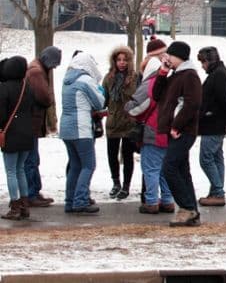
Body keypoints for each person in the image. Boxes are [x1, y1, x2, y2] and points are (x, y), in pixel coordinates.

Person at [152, 41, 202, 227]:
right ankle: (191, 210)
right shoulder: (176, 75)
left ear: (178, 56)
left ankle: (187, 207)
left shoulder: (189, 76)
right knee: (181, 169)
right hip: (175, 130)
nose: (167, 58)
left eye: (169, 56)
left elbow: (193, 103)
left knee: (169, 168)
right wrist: (162, 73)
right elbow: (157, 95)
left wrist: (177, 125)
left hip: (183, 131)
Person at [125, 38, 175, 214]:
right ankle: (168, 200)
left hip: (152, 130)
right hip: (167, 130)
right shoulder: (171, 81)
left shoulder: (150, 83)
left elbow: (134, 108)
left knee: (151, 168)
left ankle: (151, 201)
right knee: (163, 169)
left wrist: (129, 109)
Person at [1, 56, 47, 220]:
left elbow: (2, 114)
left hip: (11, 134)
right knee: (20, 169)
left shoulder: (4, 88)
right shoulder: (26, 87)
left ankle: (14, 206)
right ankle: (25, 205)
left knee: (11, 171)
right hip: (27, 134)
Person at [59, 52, 105, 214]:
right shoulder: (85, 80)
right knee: (88, 165)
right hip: (81, 128)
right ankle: (80, 201)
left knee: (75, 166)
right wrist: (100, 91)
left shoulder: (66, 80)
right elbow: (99, 103)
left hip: (66, 129)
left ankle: (70, 201)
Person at [197, 46, 226, 207]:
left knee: (206, 159)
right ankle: (216, 190)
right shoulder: (219, 73)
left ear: (209, 60)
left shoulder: (219, 75)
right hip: (217, 123)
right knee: (216, 157)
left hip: (214, 123)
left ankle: (218, 191)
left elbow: (224, 100)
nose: (202, 66)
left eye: (203, 62)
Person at [24, 46, 61, 207]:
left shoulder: (35, 68)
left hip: (32, 121)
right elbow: (44, 96)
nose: (54, 67)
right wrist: (50, 98)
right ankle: (31, 193)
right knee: (31, 160)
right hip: (31, 121)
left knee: (33, 159)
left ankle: (33, 191)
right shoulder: (37, 72)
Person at [102, 46, 139, 201]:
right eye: (119, 60)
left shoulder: (135, 77)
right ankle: (115, 182)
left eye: (125, 60)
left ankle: (126, 185)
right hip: (113, 120)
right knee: (112, 154)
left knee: (127, 154)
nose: (122, 63)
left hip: (129, 121)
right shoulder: (109, 78)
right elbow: (103, 99)